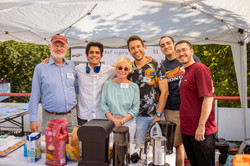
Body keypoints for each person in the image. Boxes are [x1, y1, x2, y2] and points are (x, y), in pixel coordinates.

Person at [159, 36, 201, 166]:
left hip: (191, 109)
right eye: (162, 45)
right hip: (172, 109)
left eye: (168, 43)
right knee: (177, 144)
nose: (166, 46)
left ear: (174, 44)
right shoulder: (162, 66)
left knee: (196, 142)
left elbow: (202, 80)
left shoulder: (190, 59)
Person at [175, 40, 217, 166]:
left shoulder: (200, 68)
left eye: (184, 50)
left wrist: (201, 126)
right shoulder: (186, 71)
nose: (181, 53)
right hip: (187, 130)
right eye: (178, 51)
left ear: (191, 51)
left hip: (201, 131)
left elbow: (208, 98)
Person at [29, 34, 77, 133]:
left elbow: (76, 88)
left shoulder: (71, 66)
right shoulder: (40, 68)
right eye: (56, 45)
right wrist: (32, 119)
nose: (59, 48)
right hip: (51, 118)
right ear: (50, 46)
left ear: (66, 48)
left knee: (72, 148)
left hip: (71, 118)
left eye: (62, 46)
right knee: (51, 148)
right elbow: (35, 95)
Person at [126, 35, 169, 142]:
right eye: (132, 48)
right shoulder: (128, 69)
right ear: (129, 51)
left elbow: (165, 92)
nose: (136, 50)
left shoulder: (156, 65)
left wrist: (158, 115)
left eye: (138, 46)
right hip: (137, 117)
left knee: (158, 148)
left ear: (144, 47)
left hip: (156, 114)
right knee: (138, 149)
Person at [75, 42, 116, 126]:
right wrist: (48, 60)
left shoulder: (109, 70)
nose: (94, 55)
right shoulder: (78, 69)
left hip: (102, 116)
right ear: (86, 55)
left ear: (101, 56)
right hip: (83, 116)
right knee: (83, 139)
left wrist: (147, 60)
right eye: (91, 52)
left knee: (102, 139)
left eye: (97, 53)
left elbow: (124, 66)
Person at [101, 57, 140, 140]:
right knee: (110, 148)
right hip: (110, 123)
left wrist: (122, 121)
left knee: (127, 148)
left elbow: (136, 107)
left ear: (129, 71)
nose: (123, 71)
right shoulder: (107, 85)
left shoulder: (134, 87)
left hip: (128, 123)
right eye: (120, 68)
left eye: (126, 69)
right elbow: (103, 104)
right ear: (115, 69)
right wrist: (113, 120)